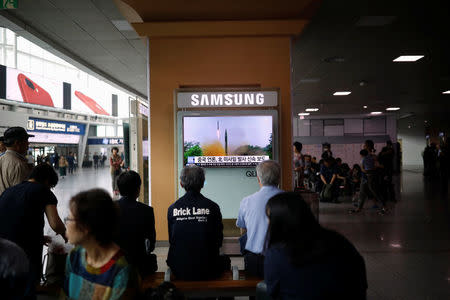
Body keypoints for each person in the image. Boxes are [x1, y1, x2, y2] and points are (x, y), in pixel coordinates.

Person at [264, 192, 367, 299]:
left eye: (269, 218)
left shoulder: (277, 255)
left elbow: (273, 292)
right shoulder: (339, 241)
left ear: (278, 222)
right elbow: (360, 283)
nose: (267, 223)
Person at [0, 164, 66, 296]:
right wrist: (66, 235)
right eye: (51, 186)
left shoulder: (9, 191)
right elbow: (56, 224)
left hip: (3, 245)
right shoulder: (44, 191)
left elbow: (14, 217)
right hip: (25, 248)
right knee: (28, 283)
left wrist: (38, 237)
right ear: (47, 181)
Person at [63, 189, 139, 299]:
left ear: (86, 227)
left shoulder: (122, 270)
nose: (66, 224)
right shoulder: (74, 256)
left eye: (69, 219)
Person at [167, 165, 230, 280]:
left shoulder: (173, 209)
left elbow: (172, 240)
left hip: (180, 268)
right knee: (225, 261)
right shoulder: (212, 207)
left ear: (181, 184)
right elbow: (218, 241)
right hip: (208, 268)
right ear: (202, 183)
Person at [237, 160, 283, 277]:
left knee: (256, 292)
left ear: (258, 179)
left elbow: (243, 231)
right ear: (279, 178)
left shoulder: (247, 201)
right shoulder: (292, 200)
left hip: (255, 262)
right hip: (284, 260)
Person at [116, 171, 157, 276]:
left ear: (119, 190)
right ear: (138, 189)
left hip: (114, 269)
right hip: (139, 269)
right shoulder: (146, 211)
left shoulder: (108, 209)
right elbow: (151, 244)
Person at [350, 149, 387, 214]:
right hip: (366, 178)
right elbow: (375, 167)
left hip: (368, 178)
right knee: (362, 193)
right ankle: (359, 208)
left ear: (361, 155)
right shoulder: (372, 157)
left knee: (375, 192)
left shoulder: (363, 159)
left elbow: (366, 170)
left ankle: (385, 207)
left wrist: (362, 168)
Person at [0, 127, 34, 195]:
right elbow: (21, 195)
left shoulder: (1, 158)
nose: (28, 143)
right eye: (26, 141)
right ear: (17, 143)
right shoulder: (19, 164)